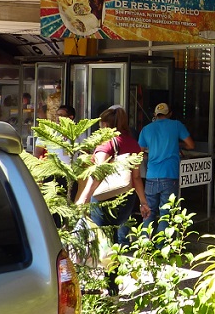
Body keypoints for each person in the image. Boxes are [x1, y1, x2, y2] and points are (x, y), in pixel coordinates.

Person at [76, 106, 150, 245]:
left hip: (104, 197)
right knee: (114, 236)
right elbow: (136, 177)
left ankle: (106, 266)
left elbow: (98, 174)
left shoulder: (106, 145)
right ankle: (115, 264)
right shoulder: (133, 143)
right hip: (126, 198)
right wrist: (143, 202)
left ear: (105, 125)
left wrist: (84, 198)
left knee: (102, 238)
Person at [138, 102, 194, 234]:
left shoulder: (146, 129)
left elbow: (139, 153)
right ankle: (162, 246)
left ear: (155, 115)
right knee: (166, 214)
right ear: (170, 114)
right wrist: (177, 145)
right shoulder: (176, 125)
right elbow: (191, 145)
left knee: (148, 212)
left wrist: (149, 154)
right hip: (170, 175)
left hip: (151, 176)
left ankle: (145, 245)